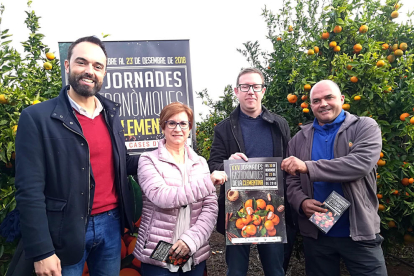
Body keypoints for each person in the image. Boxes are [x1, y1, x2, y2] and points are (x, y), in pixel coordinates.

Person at [14, 36, 139, 276]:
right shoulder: (37, 117)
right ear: (67, 65)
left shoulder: (110, 114)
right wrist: (41, 251)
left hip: (111, 226)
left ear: (103, 73)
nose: (89, 71)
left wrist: (168, 158)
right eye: (82, 63)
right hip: (64, 230)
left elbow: (122, 162)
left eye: (97, 66)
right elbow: (29, 191)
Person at [281, 80, 387, 276]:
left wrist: (307, 166)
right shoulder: (299, 139)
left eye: (329, 97)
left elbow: (359, 164)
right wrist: (301, 202)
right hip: (318, 233)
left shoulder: (364, 127)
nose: (323, 104)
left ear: (342, 99)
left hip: (358, 231)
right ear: (311, 105)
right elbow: (292, 181)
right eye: (316, 100)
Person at [208, 68, 291, 276]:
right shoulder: (224, 128)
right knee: (236, 270)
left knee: (275, 269)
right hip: (237, 208)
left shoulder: (279, 125)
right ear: (237, 91)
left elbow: (288, 164)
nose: (251, 91)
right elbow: (213, 165)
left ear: (263, 91)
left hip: (271, 206)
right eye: (245, 87)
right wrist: (228, 163)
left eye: (256, 86)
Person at [134, 102, 226, 276]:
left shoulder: (199, 163)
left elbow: (210, 207)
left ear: (190, 128)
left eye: (183, 123)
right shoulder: (148, 160)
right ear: (163, 126)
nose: (178, 128)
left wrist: (190, 240)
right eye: (172, 123)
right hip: (159, 251)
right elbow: (162, 197)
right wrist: (208, 182)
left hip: (192, 250)